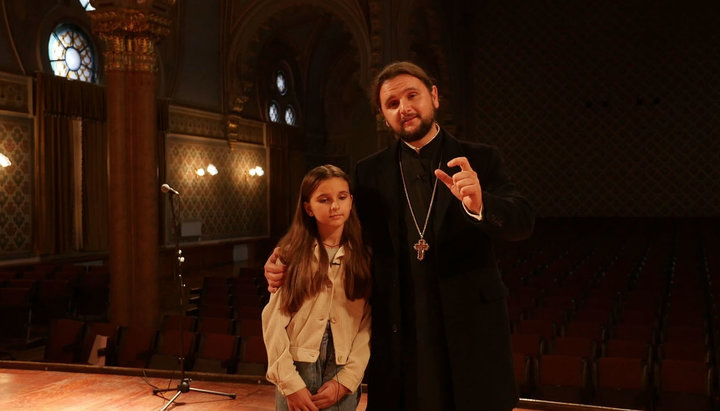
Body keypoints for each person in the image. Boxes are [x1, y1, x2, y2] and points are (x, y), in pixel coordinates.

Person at [266, 61, 534, 410]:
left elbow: (522, 222)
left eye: (412, 96)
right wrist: (283, 256)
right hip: (399, 324)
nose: (404, 108)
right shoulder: (369, 171)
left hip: (468, 323)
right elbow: (338, 230)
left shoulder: (481, 158)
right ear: (383, 114)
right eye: (392, 103)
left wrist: (482, 203)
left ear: (434, 97)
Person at [262, 164, 372, 411]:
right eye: (324, 199)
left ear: (351, 202)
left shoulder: (364, 257)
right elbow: (273, 322)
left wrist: (346, 381)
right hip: (298, 367)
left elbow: (366, 324)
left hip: (342, 368)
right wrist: (290, 383)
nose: (335, 206)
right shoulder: (291, 255)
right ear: (308, 207)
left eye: (342, 197)